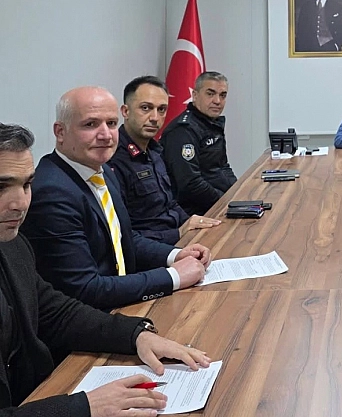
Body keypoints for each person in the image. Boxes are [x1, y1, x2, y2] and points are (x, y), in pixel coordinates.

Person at [0, 122, 211, 415]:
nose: (20, 203)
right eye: (1, 187)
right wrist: (85, 407)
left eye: (26, 185)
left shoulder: (12, 243)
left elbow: (54, 312)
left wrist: (136, 335)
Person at [21, 86, 212, 311]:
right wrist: (174, 277)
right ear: (60, 132)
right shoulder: (52, 193)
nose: (105, 135)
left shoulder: (101, 171)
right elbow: (85, 289)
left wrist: (175, 255)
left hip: (120, 302)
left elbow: (122, 240)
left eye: (111, 123)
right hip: (89, 319)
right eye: (90, 124)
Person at [108, 76, 220, 245]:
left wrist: (192, 223)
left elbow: (170, 205)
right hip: (153, 250)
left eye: (161, 109)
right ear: (125, 111)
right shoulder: (113, 159)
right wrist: (178, 233)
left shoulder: (155, 151)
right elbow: (123, 236)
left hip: (178, 240)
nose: (155, 117)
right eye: (145, 108)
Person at [160, 71, 237, 216]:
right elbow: (190, 183)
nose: (217, 101)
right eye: (210, 94)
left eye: (222, 95)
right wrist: (224, 202)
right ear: (195, 95)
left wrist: (238, 191)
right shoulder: (183, 130)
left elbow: (222, 167)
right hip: (193, 212)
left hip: (215, 204)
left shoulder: (212, 124)